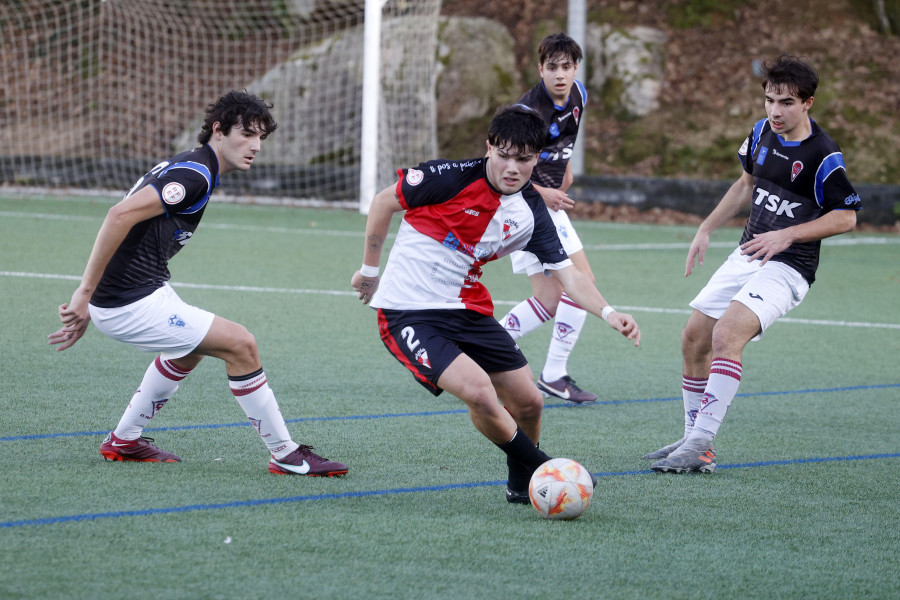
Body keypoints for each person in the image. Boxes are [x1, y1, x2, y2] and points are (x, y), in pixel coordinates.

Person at [350, 104, 640, 504]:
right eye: (503, 154)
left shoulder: (532, 213)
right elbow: (384, 202)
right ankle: (545, 467)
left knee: (530, 402)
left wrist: (610, 313)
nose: (511, 167)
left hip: (467, 310)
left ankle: (522, 485)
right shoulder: (447, 177)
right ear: (489, 147)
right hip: (407, 311)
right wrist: (369, 270)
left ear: (536, 159)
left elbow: (569, 275)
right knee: (480, 392)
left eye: (523, 159)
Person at [48, 90, 348, 477]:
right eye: (248, 135)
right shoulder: (194, 175)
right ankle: (286, 454)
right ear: (218, 131)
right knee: (241, 344)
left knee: (190, 348)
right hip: (129, 300)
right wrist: (87, 294)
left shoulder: (193, 165)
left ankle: (124, 440)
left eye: (261, 138)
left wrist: (97, 297)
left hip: (133, 293)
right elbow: (118, 215)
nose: (255, 146)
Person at [645, 54, 861, 473]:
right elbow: (745, 183)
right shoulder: (761, 133)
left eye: (786, 103)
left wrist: (788, 233)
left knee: (727, 335)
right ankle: (692, 437)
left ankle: (703, 444)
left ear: (808, 103)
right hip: (747, 253)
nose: (775, 111)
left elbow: (847, 216)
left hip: (790, 266)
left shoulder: (823, 154)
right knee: (694, 337)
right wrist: (705, 229)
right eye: (769, 100)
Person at [498, 33, 601, 405]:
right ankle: (554, 374)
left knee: (549, 299)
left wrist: (565, 171)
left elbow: (566, 139)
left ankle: (488, 345)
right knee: (582, 281)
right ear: (540, 69)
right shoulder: (526, 113)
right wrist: (546, 192)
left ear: (576, 68)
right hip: (526, 205)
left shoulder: (580, 95)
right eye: (552, 68)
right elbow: (500, 168)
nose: (560, 75)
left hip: (545, 204)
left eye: (567, 67)